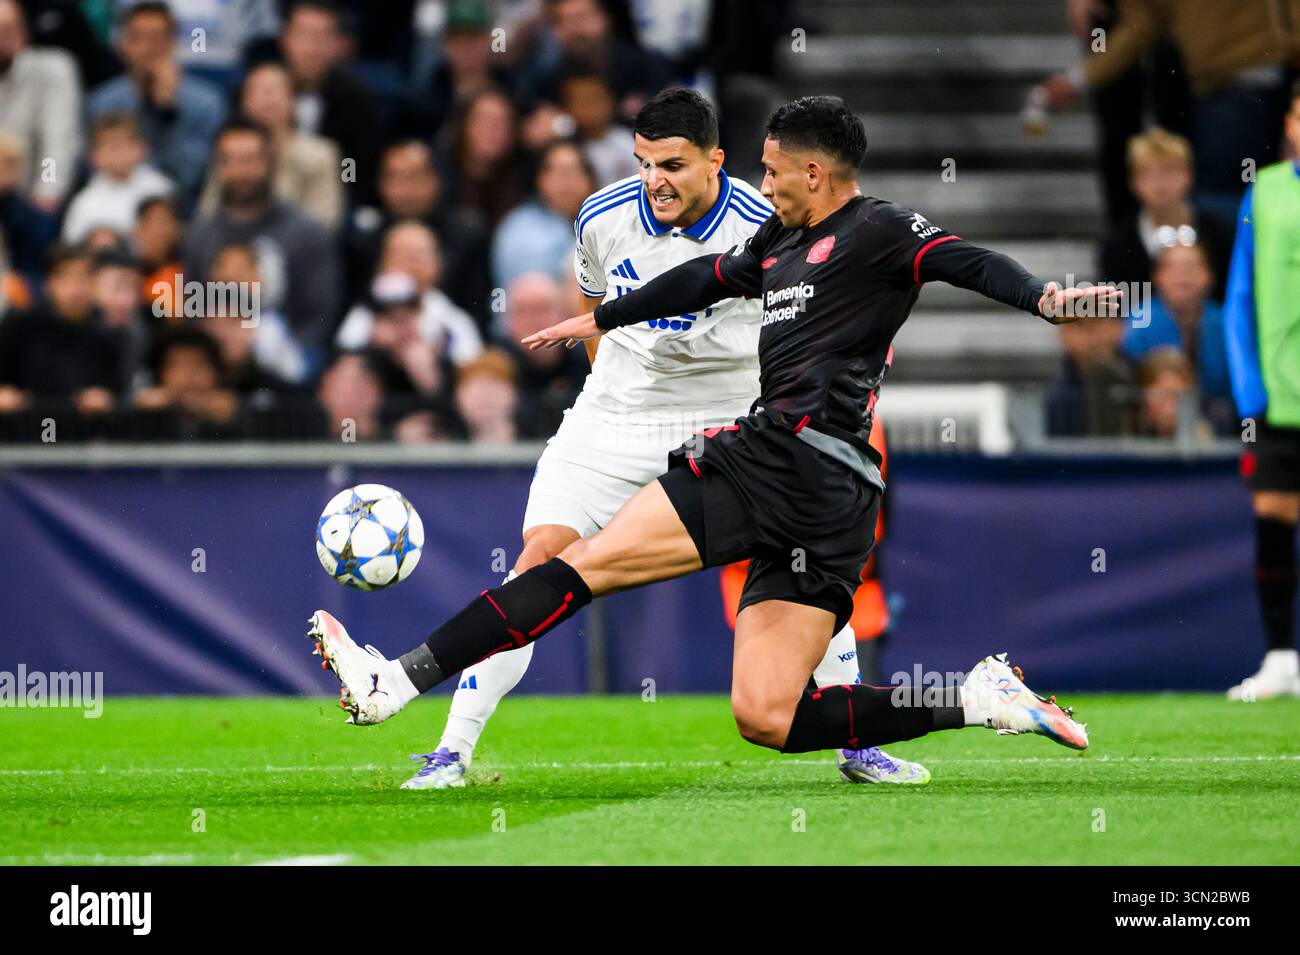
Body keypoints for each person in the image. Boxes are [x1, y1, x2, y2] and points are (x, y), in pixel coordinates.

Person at [312, 97, 1117, 769]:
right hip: (799, 477)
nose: (760, 184)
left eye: (771, 169)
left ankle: (397, 679)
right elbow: (707, 278)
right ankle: (977, 698)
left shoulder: (879, 230)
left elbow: (968, 262)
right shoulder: (778, 237)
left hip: (804, 471)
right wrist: (601, 316)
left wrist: (1045, 297)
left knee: (579, 569)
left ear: (814, 171)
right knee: (768, 715)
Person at [1223, 80, 1300, 701]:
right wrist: (1251, 391)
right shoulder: (1266, 190)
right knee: (1274, 520)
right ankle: (1279, 656)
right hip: (1279, 398)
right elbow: (1240, 296)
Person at [183, 118, 340, 352]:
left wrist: (284, 359)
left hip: (285, 369)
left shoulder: (306, 232)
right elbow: (191, 312)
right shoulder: (200, 233)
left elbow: (321, 317)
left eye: (248, 160)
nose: (238, 172)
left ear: (270, 163)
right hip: (213, 366)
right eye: (228, 161)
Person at [86, 2, 226, 206]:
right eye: (137, 38)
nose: (147, 48)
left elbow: (193, 177)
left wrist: (167, 112)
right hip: (115, 204)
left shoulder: (206, 103)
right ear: (123, 45)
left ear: (173, 43)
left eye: (156, 38)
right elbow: (92, 170)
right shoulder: (102, 103)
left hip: (183, 209)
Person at [197, 61, 343, 232]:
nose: (267, 98)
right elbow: (207, 215)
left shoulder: (320, 154)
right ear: (243, 104)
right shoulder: (229, 149)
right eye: (257, 91)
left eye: (275, 90)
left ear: (293, 102)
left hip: (297, 250)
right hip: (233, 248)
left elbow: (326, 221)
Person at [1097, 128, 1231, 299]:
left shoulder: (1218, 233)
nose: (1159, 183)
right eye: (1146, 174)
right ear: (1132, 182)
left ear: (1188, 175)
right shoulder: (1118, 243)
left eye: (1168, 171)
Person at [0, 0, 81, 210]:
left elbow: (55, 143)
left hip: (29, 204)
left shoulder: (52, 70)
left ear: (23, 33)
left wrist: (48, 188)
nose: (1, 38)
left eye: (8, 29)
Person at [490, 139, 595, 289]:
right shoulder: (520, 229)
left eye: (574, 171)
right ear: (540, 180)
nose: (567, 182)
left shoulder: (602, 222)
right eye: (559, 172)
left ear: (590, 180)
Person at [61, 112, 174, 244]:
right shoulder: (84, 204)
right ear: (94, 156)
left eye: (125, 144)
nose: (118, 153)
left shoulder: (161, 189)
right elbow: (73, 250)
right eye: (110, 146)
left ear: (142, 148)